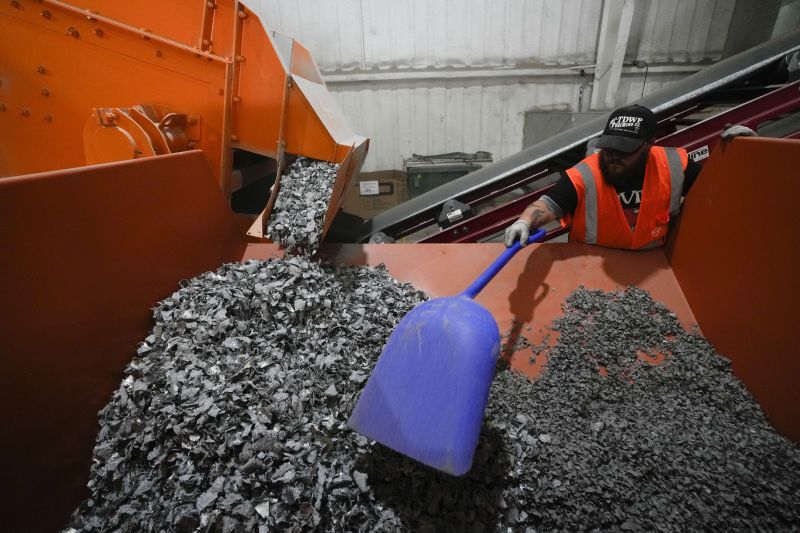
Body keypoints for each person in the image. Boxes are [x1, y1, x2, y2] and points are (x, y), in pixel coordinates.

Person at [504, 104, 753, 250]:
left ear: (649, 145)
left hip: (652, 263)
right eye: (610, 147)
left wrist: (742, 156)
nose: (613, 156)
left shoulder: (675, 165)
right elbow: (547, 205)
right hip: (591, 264)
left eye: (624, 150)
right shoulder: (586, 173)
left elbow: (718, 195)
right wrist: (525, 222)